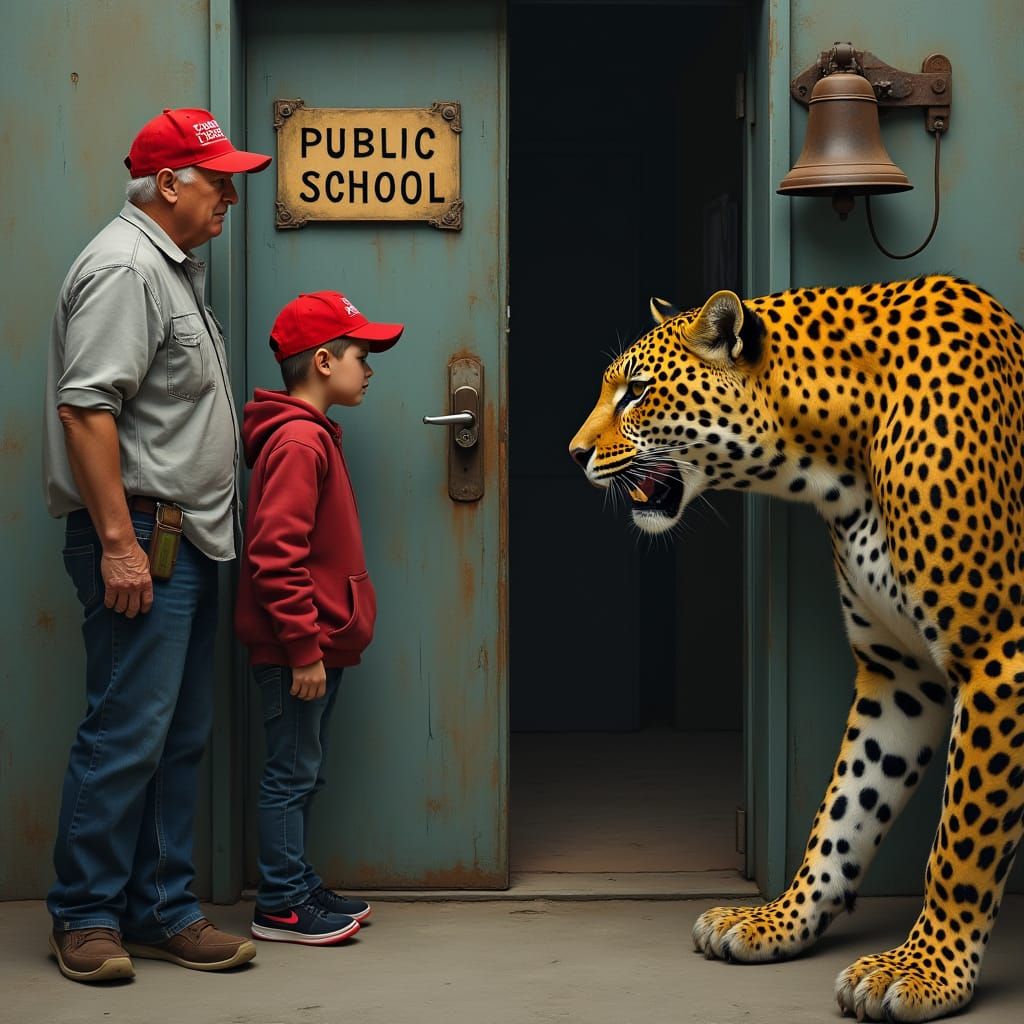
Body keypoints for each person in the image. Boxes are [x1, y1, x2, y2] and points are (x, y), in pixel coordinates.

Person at [42, 108, 272, 982]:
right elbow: (86, 409)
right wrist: (117, 545)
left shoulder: (172, 269)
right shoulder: (124, 267)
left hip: (188, 537)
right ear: (169, 183)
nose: (232, 196)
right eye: (219, 180)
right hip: (142, 538)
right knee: (127, 731)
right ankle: (86, 917)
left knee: (174, 734)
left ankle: (160, 909)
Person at [234, 291, 403, 945]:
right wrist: (303, 648)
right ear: (325, 361)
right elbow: (275, 555)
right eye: (363, 355)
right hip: (295, 652)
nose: (370, 368)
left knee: (304, 765)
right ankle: (278, 903)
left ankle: (295, 881)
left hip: (313, 646)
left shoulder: (310, 437)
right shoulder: (301, 442)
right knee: (290, 770)